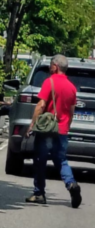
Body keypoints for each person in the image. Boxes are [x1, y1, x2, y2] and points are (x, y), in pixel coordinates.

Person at [25, 55, 82, 208]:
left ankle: (39, 193)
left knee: (40, 160)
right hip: (62, 130)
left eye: (51, 65)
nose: (50, 68)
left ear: (56, 66)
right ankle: (71, 185)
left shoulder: (49, 82)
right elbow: (71, 112)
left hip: (46, 130)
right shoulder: (71, 87)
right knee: (61, 160)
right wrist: (66, 127)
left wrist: (32, 125)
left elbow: (41, 105)